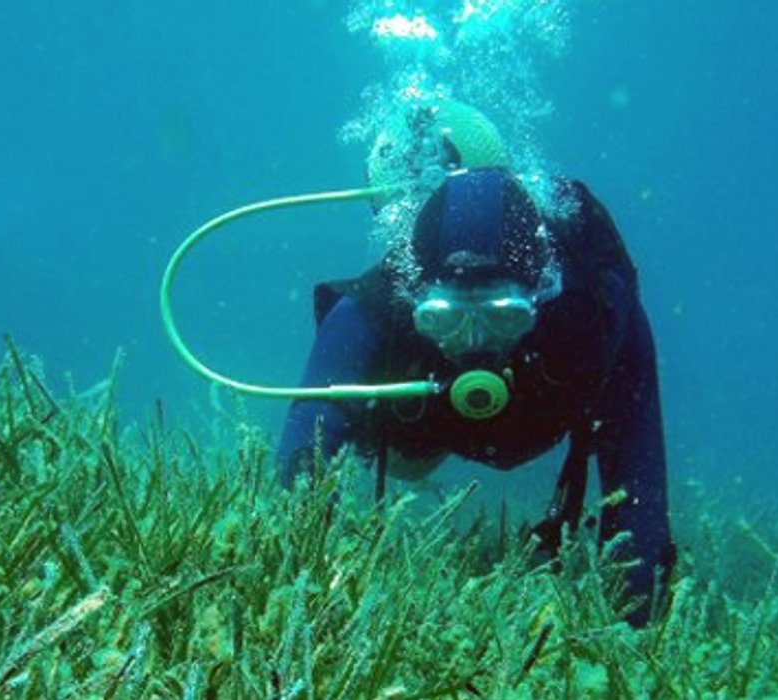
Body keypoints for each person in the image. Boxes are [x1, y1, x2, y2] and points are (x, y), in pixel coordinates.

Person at [275, 103, 676, 626]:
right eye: (445, 320)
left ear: (541, 293)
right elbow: (306, 443)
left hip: (541, 405)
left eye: (502, 317)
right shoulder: (373, 307)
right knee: (407, 461)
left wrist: (636, 616)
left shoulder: (595, 311)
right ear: (415, 298)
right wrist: (296, 579)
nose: (475, 345)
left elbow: (639, 478)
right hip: (423, 425)